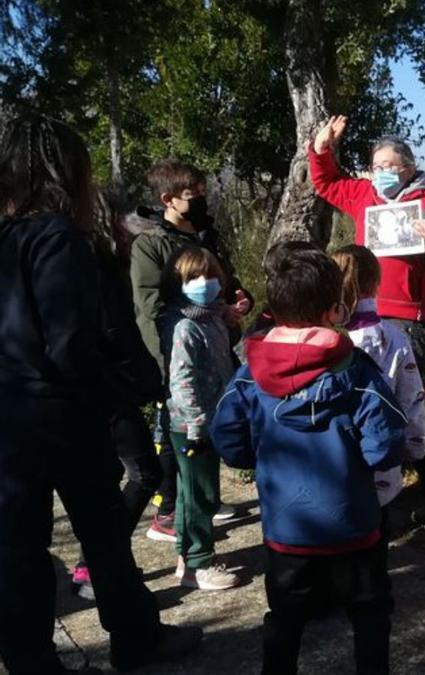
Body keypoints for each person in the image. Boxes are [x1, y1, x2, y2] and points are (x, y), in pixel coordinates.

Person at [0, 113, 201, 674]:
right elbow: (71, 348)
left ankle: (31, 660)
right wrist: (122, 394)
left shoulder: (6, 237)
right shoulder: (58, 238)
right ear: (66, 172)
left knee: (19, 550)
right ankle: (136, 640)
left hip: (9, 418)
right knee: (104, 535)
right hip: (60, 417)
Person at [210, 246, 412, 675]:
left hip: (286, 528)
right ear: (335, 309)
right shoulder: (357, 371)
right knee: (369, 614)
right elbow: (385, 445)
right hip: (353, 525)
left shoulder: (250, 371)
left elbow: (226, 435)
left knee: (285, 618)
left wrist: (258, 457)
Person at [309, 114, 425, 524]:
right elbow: (326, 183)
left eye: (390, 167)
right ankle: (375, 486)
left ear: (410, 168)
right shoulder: (363, 196)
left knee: (410, 403)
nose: (381, 174)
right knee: (367, 403)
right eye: (376, 167)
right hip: (361, 318)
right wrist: (322, 147)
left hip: (407, 319)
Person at [130, 158, 252, 543]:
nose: (200, 200)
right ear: (167, 199)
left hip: (216, 346)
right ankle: (169, 512)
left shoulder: (206, 236)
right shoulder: (151, 246)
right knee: (177, 431)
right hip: (176, 355)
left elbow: (225, 280)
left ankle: (202, 501)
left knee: (211, 424)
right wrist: (165, 363)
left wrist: (236, 301)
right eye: (191, 195)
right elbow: (150, 307)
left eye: (202, 192)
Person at [71, 192, 165, 600]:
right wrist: (143, 376)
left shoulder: (85, 260)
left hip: (99, 390)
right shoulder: (93, 264)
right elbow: (115, 332)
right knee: (143, 474)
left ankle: (99, 565)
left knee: (120, 480)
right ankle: (95, 567)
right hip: (105, 391)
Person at [160, 248, 240, 590]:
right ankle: (198, 563)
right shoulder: (183, 326)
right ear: (178, 283)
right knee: (199, 493)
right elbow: (181, 382)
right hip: (190, 424)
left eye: (210, 275)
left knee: (191, 490)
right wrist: (195, 425)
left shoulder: (212, 318)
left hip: (210, 419)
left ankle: (187, 556)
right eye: (193, 277)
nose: (204, 283)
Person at [332, 244, 425, 514]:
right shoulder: (395, 338)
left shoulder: (328, 338)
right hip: (383, 463)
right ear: (377, 283)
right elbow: (412, 397)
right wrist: (415, 445)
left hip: (335, 461)